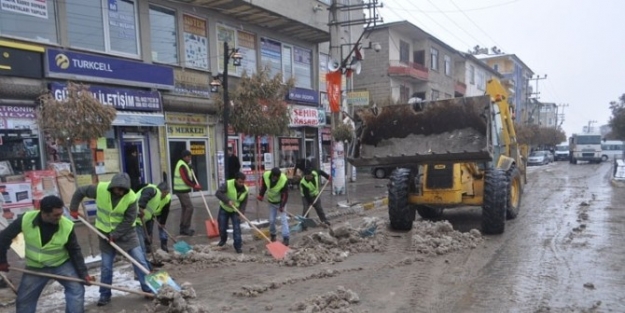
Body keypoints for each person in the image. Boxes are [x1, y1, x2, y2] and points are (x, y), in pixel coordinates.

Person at [69, 173, 152, 306]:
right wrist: (73, 208)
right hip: (104, 234)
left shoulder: (131, 197)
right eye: (118, 189)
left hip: (127, 234)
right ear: (112, 186)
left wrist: (115, 234)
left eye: (123, 191)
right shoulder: (100, 189)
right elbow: (80, 191)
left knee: (139, 261)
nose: (120, 193)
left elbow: (129, 219)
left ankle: (148, 289)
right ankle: (105, 294)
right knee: (106, 266)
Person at [0, 195, 94, 313]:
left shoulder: (67, 225)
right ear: (44, 213)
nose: (60, 217)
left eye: (61, 213)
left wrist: (83, 273)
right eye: (56, 215)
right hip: (36, 267)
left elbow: (74, 250)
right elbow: (3, 238)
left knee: (77, 290)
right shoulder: (26, 219)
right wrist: (2, 260)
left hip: (61, 264)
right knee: (24, 300)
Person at [214, 172, 248, 253]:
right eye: (240, 182)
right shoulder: (228, 184)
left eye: (243, 182)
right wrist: (227, 201)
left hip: (235, 210)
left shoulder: (245, 189)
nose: (241, 184)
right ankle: (223, 240)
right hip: (224, 208)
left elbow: (244, 202)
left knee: (236, 228)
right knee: (222, 227)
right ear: (236, 180)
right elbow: (218, 193)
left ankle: (238, 246)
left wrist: (242, 211)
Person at [257, 167, 290, 246]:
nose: (275, 178)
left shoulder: (283, 180)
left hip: (281, 202)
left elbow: (285, 195)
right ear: (271, 175)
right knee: (271, 220)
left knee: (283, 220)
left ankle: (286, 238)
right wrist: (261, 195)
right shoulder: (266, 175)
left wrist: (282, 206)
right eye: (274, 176)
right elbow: (264, 186)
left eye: (277, 177)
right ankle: (273, 235)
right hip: (271, 202)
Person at [135, 182, 171, 253]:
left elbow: (166, 210)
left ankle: (162, 246)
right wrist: (141, 207)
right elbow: (143, 196)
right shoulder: (152, 190)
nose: (165, 195)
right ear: (162, 191)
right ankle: (145, 248)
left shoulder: (167, 198)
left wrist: (162, 223)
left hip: (153, 214)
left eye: (167, 193)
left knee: (151, 231)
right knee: (144, 233)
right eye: (165, 193)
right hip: (142, 215)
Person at [173, 150, 201, 236]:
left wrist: (190, 167)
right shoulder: (182, 165)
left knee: (185, 208)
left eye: (190, 157)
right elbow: (185, 179)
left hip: (182, 190)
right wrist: (194, 185)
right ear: (184, 157)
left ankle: (183, 227)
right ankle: (185, 227)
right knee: (189, 208)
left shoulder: (183, 164)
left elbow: (187, 174)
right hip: (181, 190)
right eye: (188, 157)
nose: (190, 159)